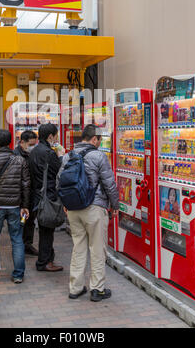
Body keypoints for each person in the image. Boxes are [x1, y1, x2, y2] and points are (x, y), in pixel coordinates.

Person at [57, 124, 119, 302]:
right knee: (97, 249)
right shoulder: (98, 155)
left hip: (73, 209)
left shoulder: (68, 155)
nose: (100, 143)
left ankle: (75, 288)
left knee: (79, 247)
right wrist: (115, 205)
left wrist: (65, 203)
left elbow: (59, 181)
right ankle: (97, 289)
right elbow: (109, 184)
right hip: (94, 207)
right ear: (94, 139)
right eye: (100, 139)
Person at [0, 129, 30, 283]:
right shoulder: (20, 160)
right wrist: (25, 206)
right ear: (10, 141)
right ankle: (18, 274)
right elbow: (26, 185)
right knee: (17, 239)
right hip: (15, 206)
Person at [29, 123, 64, 272]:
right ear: (50, 136)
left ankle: (48, 258)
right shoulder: (49, 153)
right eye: (55, 135)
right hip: (47, 195)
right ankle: (44, 262)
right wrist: (61, 155)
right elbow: (60, 170)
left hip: (36, 194)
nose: (56, 138)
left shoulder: (34, 151)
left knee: (44, 229)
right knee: (47, 230)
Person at [14, 130, 38, 256]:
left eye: (35, 144)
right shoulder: (15, 155)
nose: (32, 147)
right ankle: (19, 246)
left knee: (30, 221)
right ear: (22, 142)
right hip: (20, 194)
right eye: (30, 144)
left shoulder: (32, 155)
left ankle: (28, 244)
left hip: (31, 193)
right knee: (20, 222)